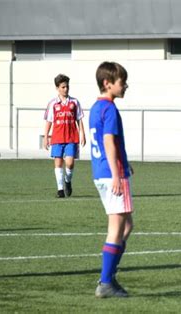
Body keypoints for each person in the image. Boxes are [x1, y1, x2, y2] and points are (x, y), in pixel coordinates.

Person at [89, 61, 134, 298]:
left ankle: (109, 276)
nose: (125, 85)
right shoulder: (110, 109)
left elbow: (110, 143)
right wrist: (118, 173)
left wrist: (125, 163)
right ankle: (106, 281)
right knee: (117, 227)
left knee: (126, 225)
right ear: (108, 83)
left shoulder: (96, 108)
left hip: (101, 172)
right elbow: (108, 141)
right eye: (122, 82)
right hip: (112, 174)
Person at [43, 74, 86, 198]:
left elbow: (79, 119)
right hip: (57, 137)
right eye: (63, 87)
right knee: (58, 162)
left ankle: (67, 181)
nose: (66, 89)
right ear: (57, 88)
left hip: (71, 137)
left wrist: (82, 134)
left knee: (70, 163)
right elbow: (49, 121)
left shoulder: (74, 102)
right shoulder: (52, 104)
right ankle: (60, 190)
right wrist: (46, 136)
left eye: (67, 86)